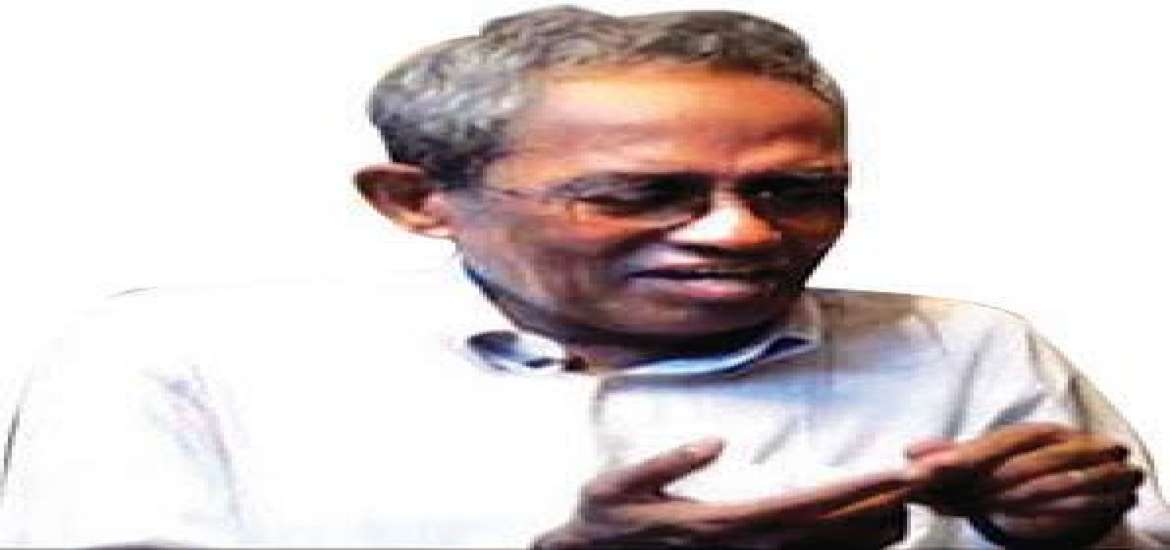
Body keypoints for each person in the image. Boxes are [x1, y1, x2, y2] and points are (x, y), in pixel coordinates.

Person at [2, 6, 1167, 548]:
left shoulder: (964, 350)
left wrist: (1058, 543)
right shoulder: (180, 359)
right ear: (417, 200)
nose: (740, 234)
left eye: (797, 190)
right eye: (643, 194)